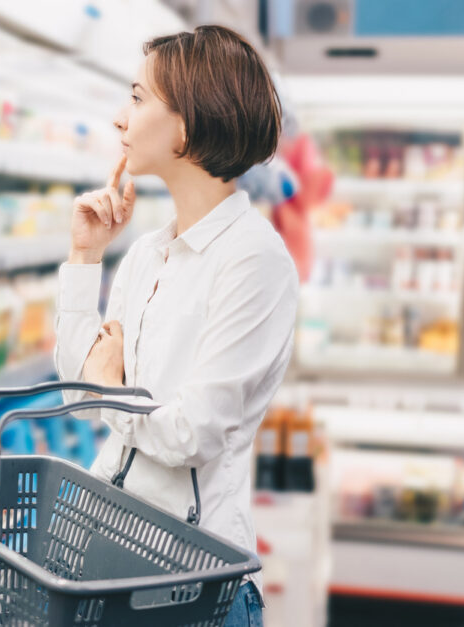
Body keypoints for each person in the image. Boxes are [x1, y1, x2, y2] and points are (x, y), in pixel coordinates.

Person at [54, 25, 298, 627]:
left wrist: (110, 387)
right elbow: (77, 398)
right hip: (112, 560)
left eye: (137, 99)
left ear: (186, 127)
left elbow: (193, 435)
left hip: (196, 586)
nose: (119, 118)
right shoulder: (146, 255)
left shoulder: (253, 260)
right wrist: (85, 257)